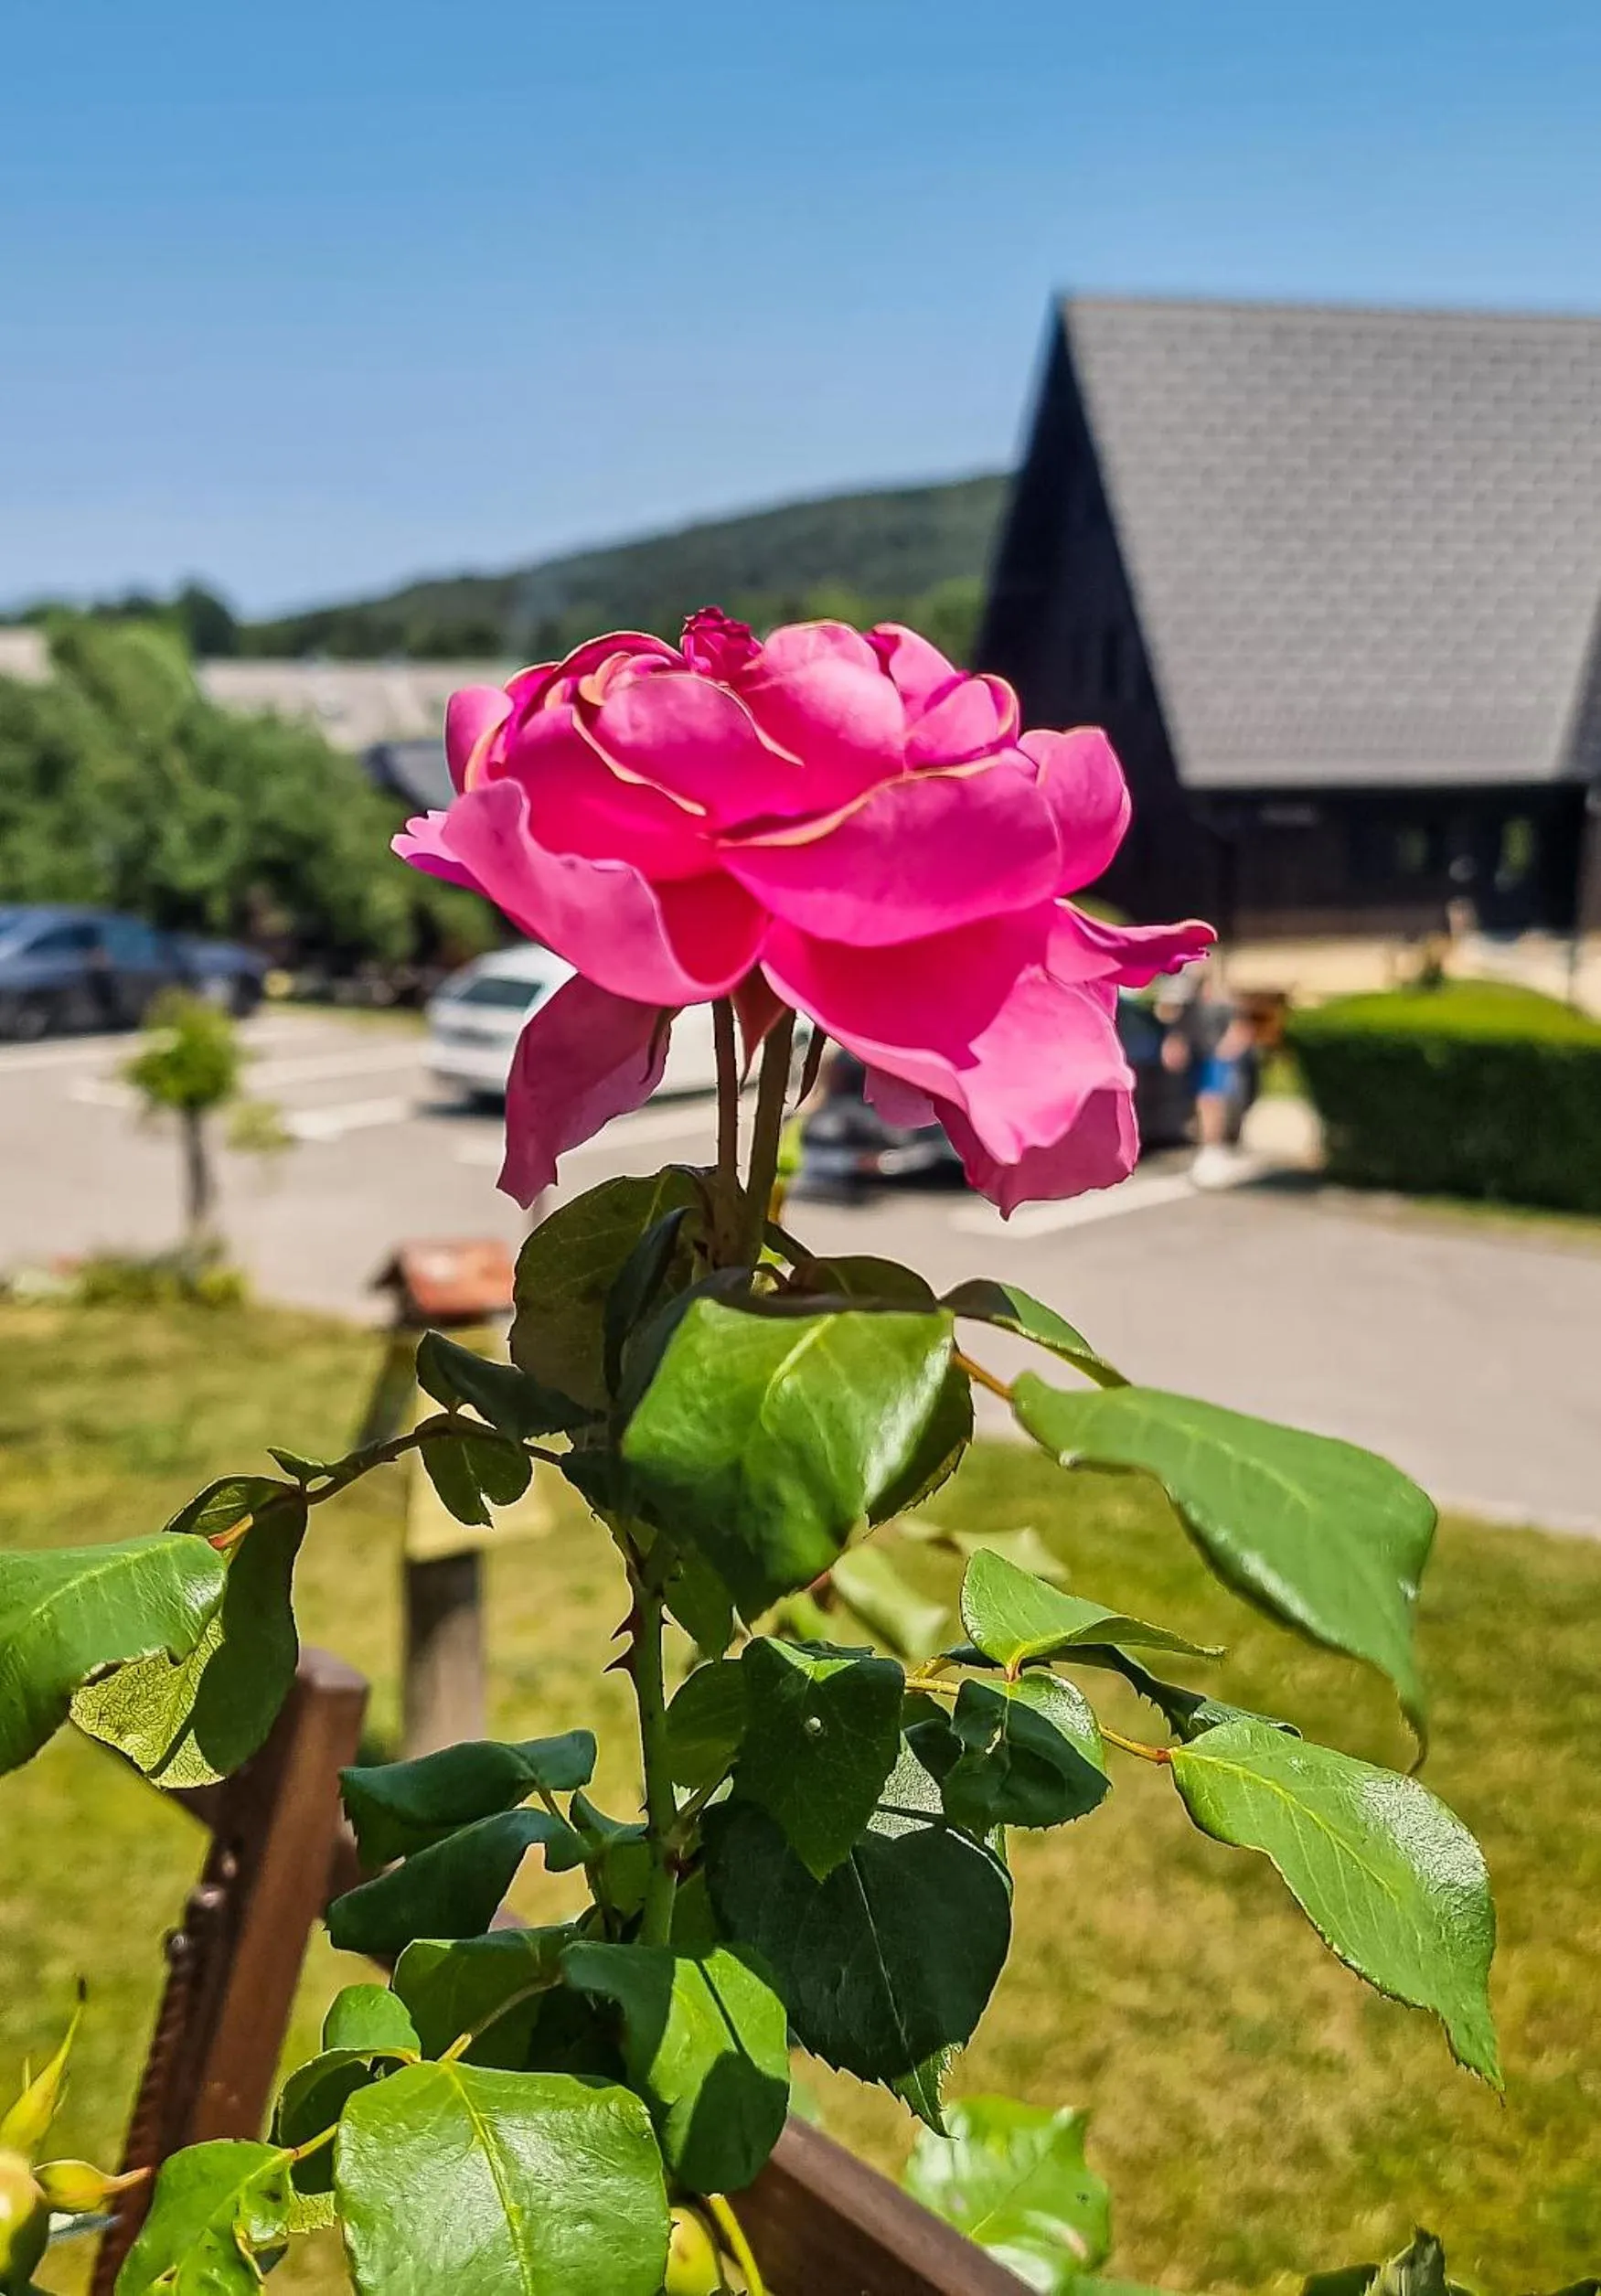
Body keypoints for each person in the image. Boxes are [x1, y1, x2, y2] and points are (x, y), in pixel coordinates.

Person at [1154, 965, 1255, 1188]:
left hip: (1215, 1060)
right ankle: (1209, 1148)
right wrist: (1173, 1046)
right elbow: (1176, 1029)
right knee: (1202, 1105)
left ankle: (1213, 1148)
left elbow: (1239, 1031)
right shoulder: (1190, 1005)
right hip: (1199, 1058)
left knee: (1210, 1103)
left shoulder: (1223, 1005)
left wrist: (1226, 1049)